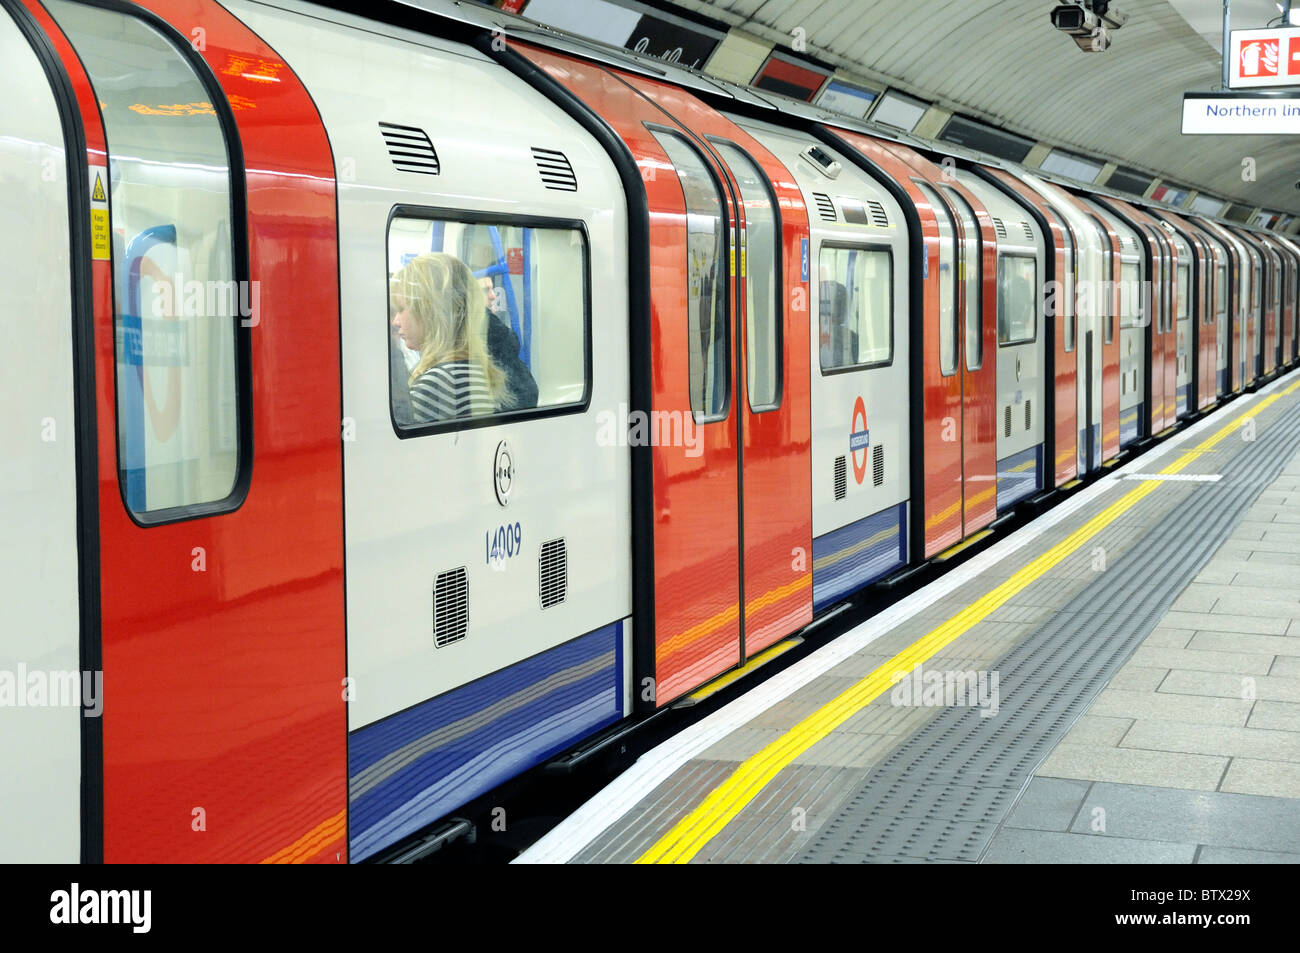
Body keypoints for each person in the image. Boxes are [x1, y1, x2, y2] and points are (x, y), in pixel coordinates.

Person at [390, 253, 505, 423]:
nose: (396, 321)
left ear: (429, 312)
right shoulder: (471, 368)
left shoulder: (435, 385)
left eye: (400, 309)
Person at [479, 276, 540, 411]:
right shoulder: (484, 323)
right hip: (510, 408)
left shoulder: (486, 323)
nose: (493, 296)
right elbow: (511, 343)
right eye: (485, 290)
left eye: (492, 290)